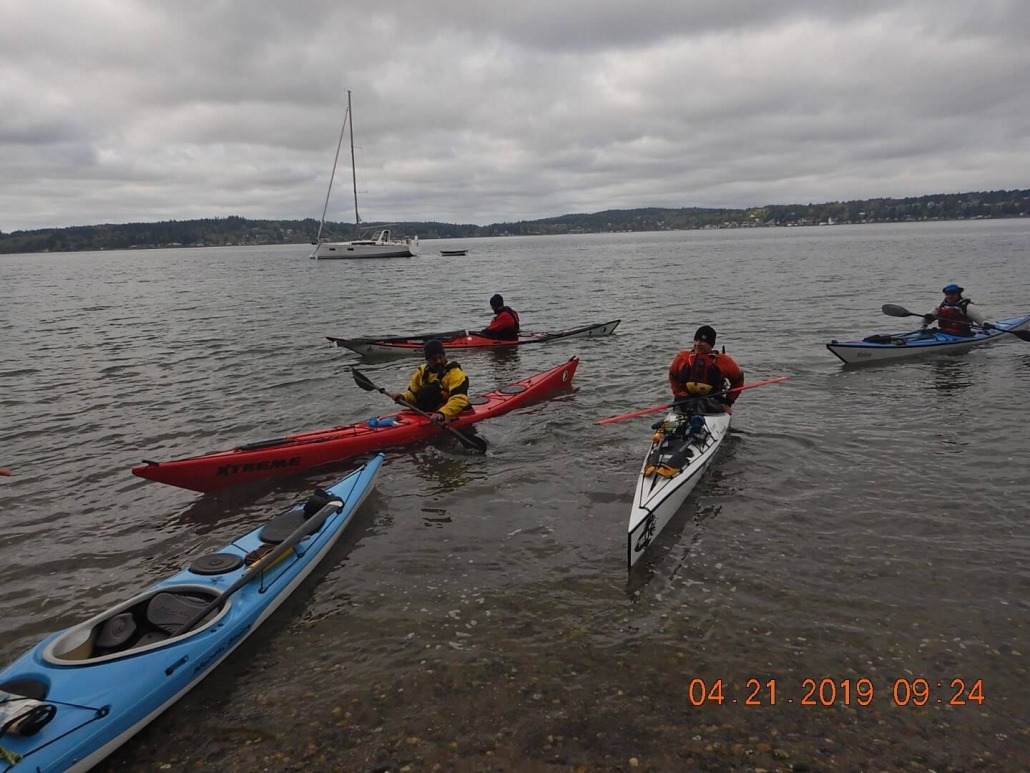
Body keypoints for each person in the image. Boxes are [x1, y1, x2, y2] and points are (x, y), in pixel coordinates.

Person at [667, 325, 745, 414]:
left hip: (712, 402)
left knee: (701, 406)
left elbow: (738, 380)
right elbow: (672, 375)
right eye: (696, 340)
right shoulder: (682, 358)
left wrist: (728, 402)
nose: (697, 344)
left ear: (710, 345)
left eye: (702, 341)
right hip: (684, 401)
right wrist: (679, 393)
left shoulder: (724, 361)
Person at [391, 339, 471, 424]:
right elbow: (413, 394)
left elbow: (460, 399)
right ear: (428, 360)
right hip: (427, 410)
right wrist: (402, 397)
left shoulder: (455, 373)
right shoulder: (422, 371)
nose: (438, 361)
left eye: (440, 357)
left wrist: (442, 413)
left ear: (444, 356)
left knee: (432, 391)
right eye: (434, 359)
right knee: (425, 391)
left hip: (450, 411)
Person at [922, 284, 994, 336]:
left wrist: (986, 324)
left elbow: (982, 321)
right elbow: (925, 320)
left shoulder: (967, 307)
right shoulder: (941, 306)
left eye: (952, 294)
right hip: (943, 332)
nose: (949, 297)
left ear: (958, 294)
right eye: (947, 294)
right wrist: (928, 318)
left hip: (962, 334)